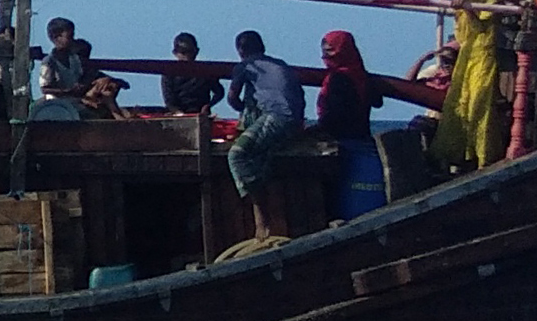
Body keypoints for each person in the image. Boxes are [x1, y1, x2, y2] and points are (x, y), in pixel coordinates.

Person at [432, 0, 505, 171]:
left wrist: (469, 10)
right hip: (467, 56)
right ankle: (457, 153)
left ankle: (484, 157)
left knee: (479, 104)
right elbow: (463, 36)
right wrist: (460, 12)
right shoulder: (462, 4)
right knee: (459, 102)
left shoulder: (490, 0)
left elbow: (482, 28)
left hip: (484, 57)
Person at [225, 30, 306, 211]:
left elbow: (232, 98)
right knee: (261, 155)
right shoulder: (281, 64)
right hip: (296, 121)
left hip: (276, 118)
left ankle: (260, 214)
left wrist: (243, 111)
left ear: (240, 50)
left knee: (236, 156)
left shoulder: (245, 66)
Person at [315, 31, 376, 142]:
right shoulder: (362, 75)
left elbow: (334, 116)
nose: (325, 56)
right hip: (363, 138)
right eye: (324, 51)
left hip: (342, 141)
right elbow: (377, 101)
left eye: (330, 51)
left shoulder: (338, 79)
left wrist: (313, 131)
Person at [161, 33, 224, 114]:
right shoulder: (169, 72)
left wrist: (208, 105)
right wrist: (179, 114)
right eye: (183, 53)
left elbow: (219, 92)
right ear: (175, 53)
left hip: (201, 114)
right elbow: (169, 100)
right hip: (177, 115)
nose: (187, 57)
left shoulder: (205, 71)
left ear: (196, 51)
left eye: (190, 52)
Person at [39, 18, 93, 103]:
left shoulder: (74, 58)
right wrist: (67, 91)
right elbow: (45, 89)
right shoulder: (49, 61)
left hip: (76, 100)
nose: (72, 40)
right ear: (56, 38)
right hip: (58, 103)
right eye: (69, 37)